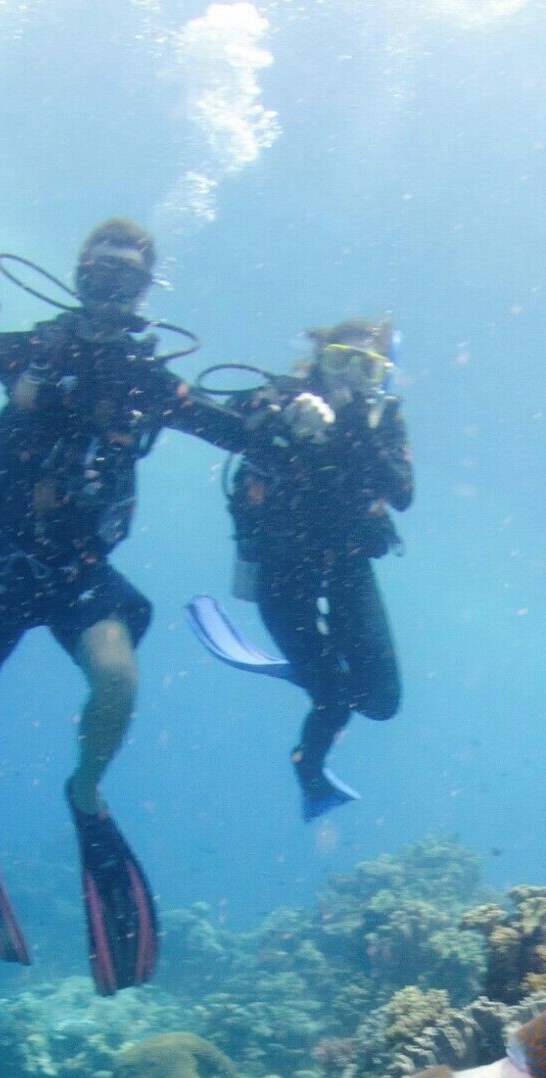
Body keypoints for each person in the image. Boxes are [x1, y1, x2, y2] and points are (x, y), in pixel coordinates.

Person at [0, 219, 249, 994]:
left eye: (128, 279)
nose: (112, 289)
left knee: (116, 679)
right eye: (101, 273)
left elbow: (231, 428)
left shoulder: (150, 380)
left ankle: (85, 790)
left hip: (81, 567)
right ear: (79, 275)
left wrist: (292, 414)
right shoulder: (35, 349)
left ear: (146, 291)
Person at [186, 317, 414, 820]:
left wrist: (359, 430)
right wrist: (279, 417)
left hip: (347, 563)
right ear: (317, 361)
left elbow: (403, 494)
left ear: (381, 376)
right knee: (333, 694)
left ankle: (317, 667)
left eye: (366, 368)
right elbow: (218, 416)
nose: (350, 377)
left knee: (381, 702)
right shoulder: (283, 395)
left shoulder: (383, 421)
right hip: (281, 566)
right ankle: (309, 759)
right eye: (339, 361)